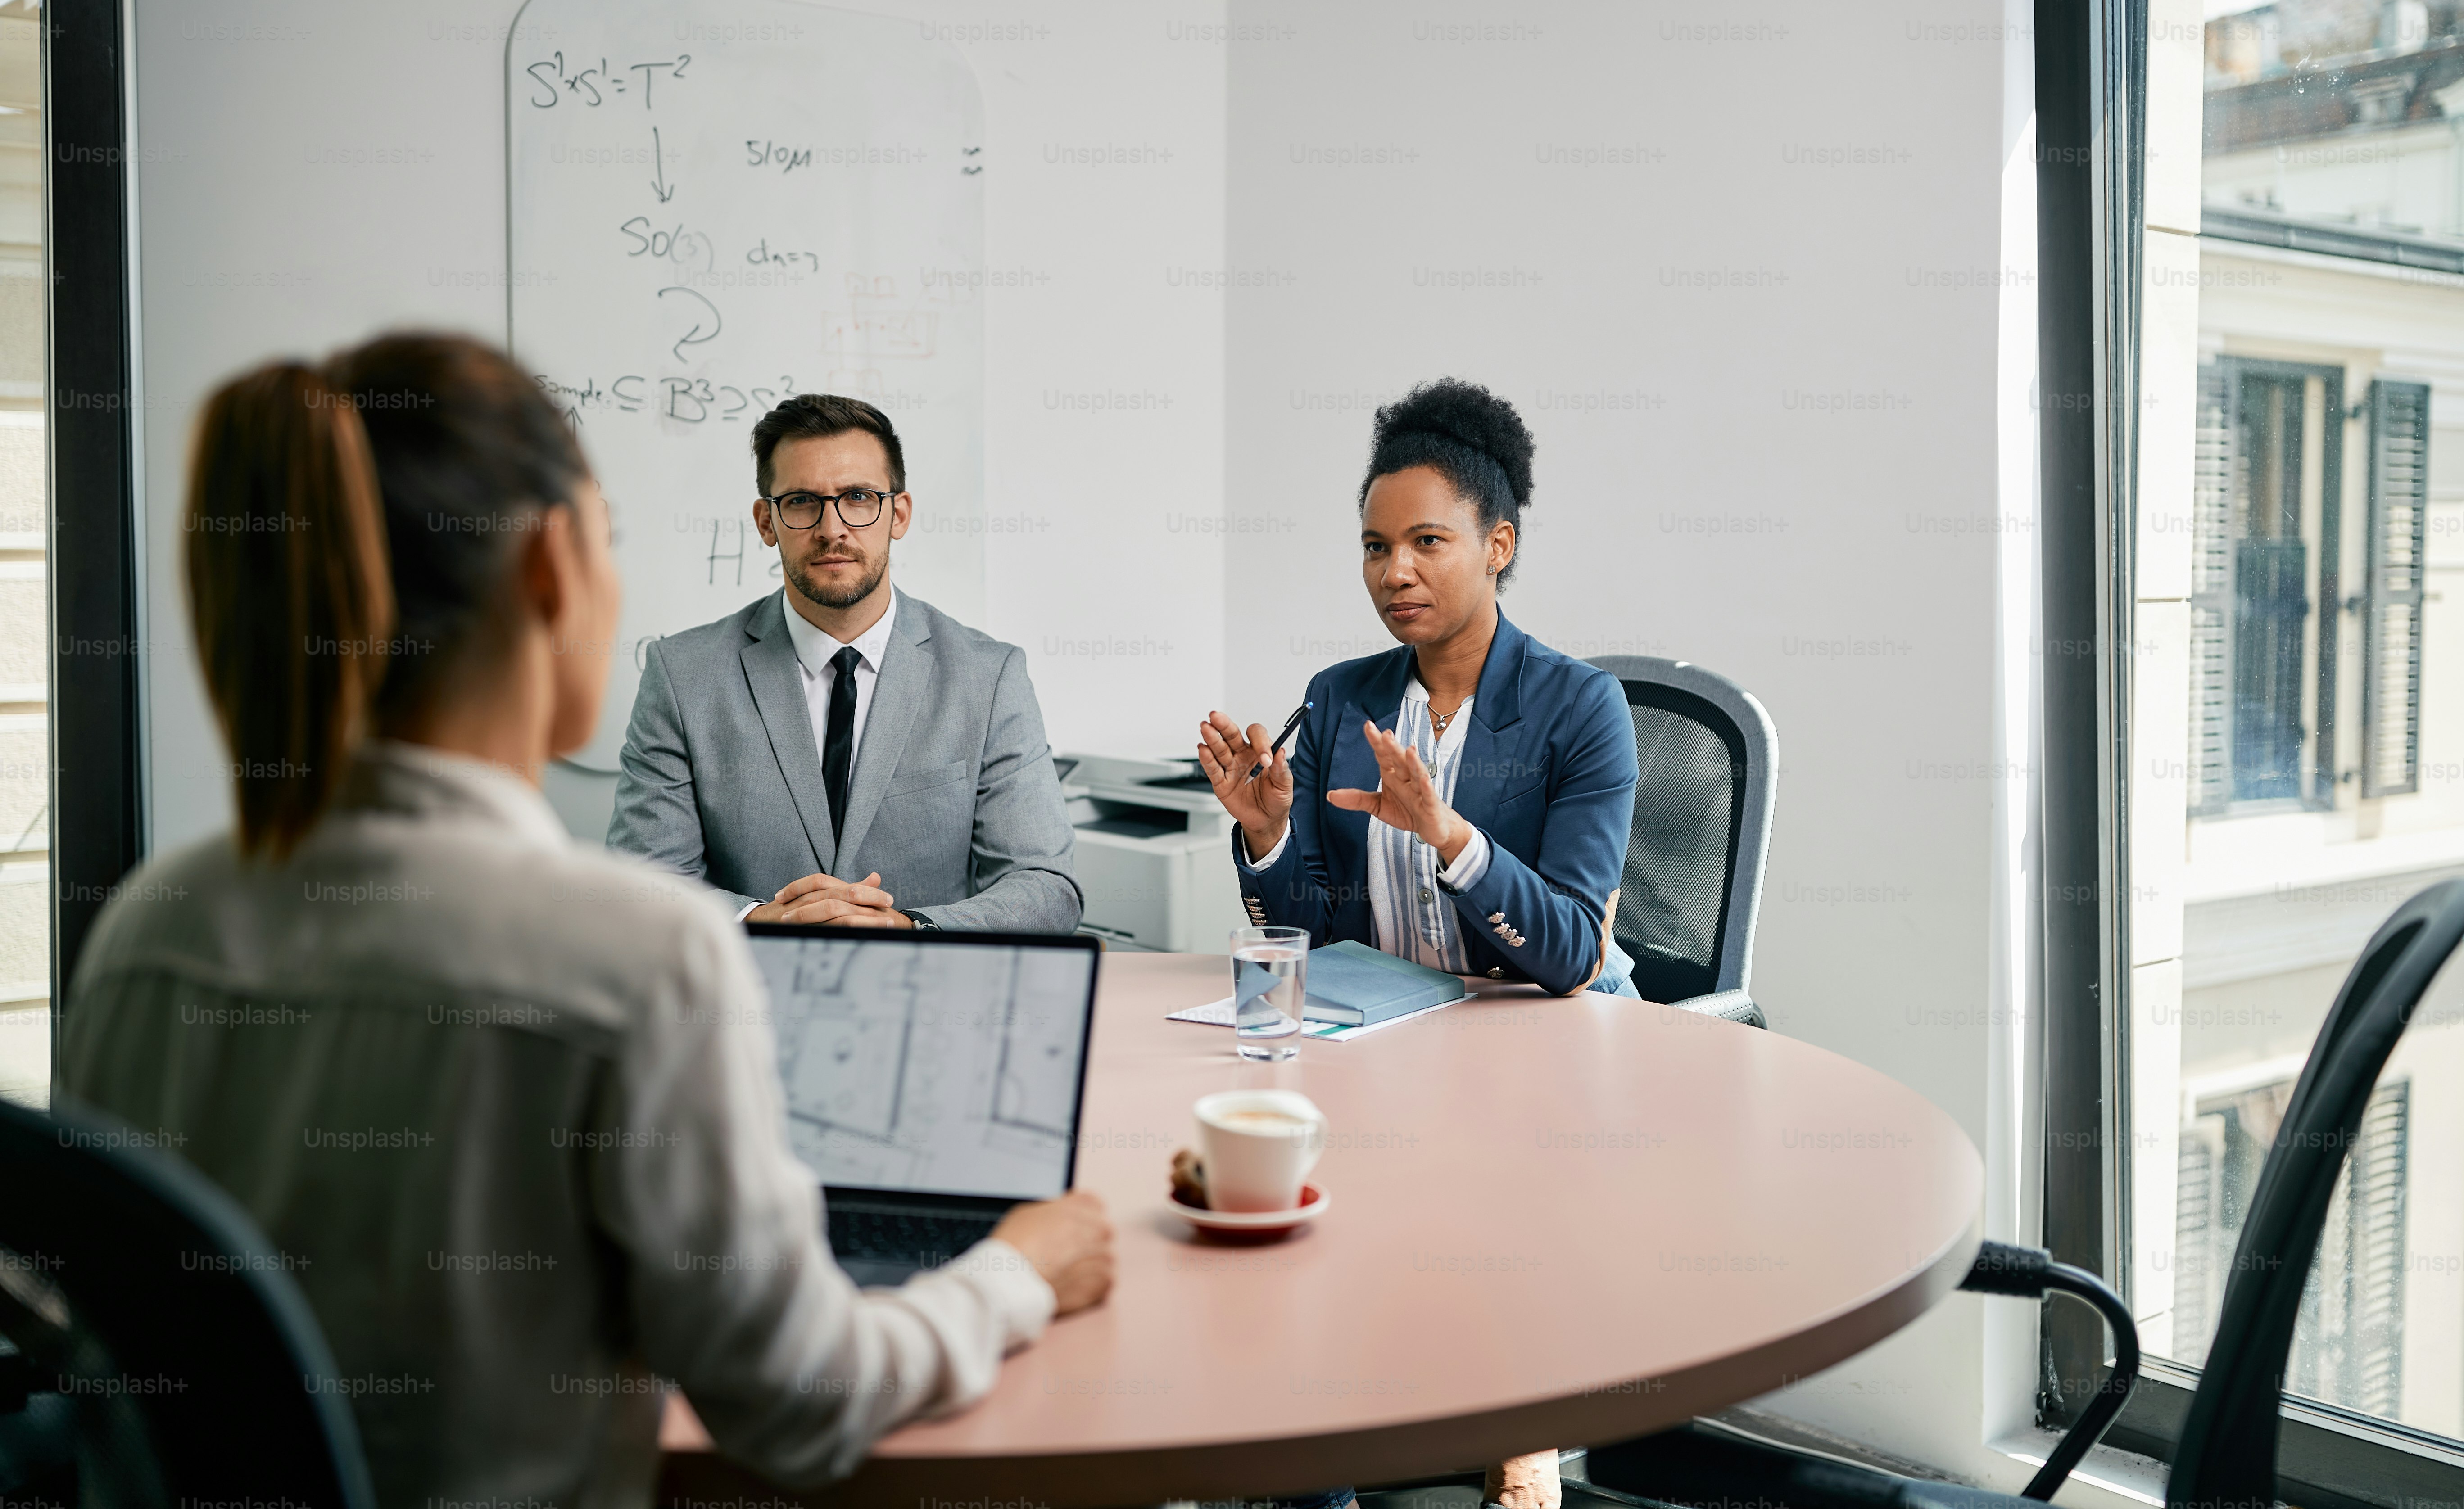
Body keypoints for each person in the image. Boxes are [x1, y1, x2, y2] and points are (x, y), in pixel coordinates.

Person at [58, 335, 1114, 1507]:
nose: (833, 524)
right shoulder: (636, 964)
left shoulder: (142, 937)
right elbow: (801, 1403)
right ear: (556, 568)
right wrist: (1021, 1273)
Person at [1196, 379, 1640, 1509]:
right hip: (1389, 1038)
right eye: (1374, 546)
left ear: (1497, 545)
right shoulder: (1340, 698)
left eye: (1427, 542)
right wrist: (1267, 832)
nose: (1394, 571)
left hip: (1540, 1050)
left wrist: (1449, 836)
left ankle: (1514, 1410)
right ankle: (1314, 1437)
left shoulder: (1578, 710)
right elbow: (1312, 930)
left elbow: (1571, 954)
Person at [608, 394, 1081, 933]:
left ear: (898, 514)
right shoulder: (681, 676)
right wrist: (762, 920)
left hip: (927, 997)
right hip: (745, 1000)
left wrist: (908, 930)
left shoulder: (989, 678)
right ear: (767, 521)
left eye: (858, 497)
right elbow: (640, 882)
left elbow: (1046, 888)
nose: (833, 528)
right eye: (804, 501)